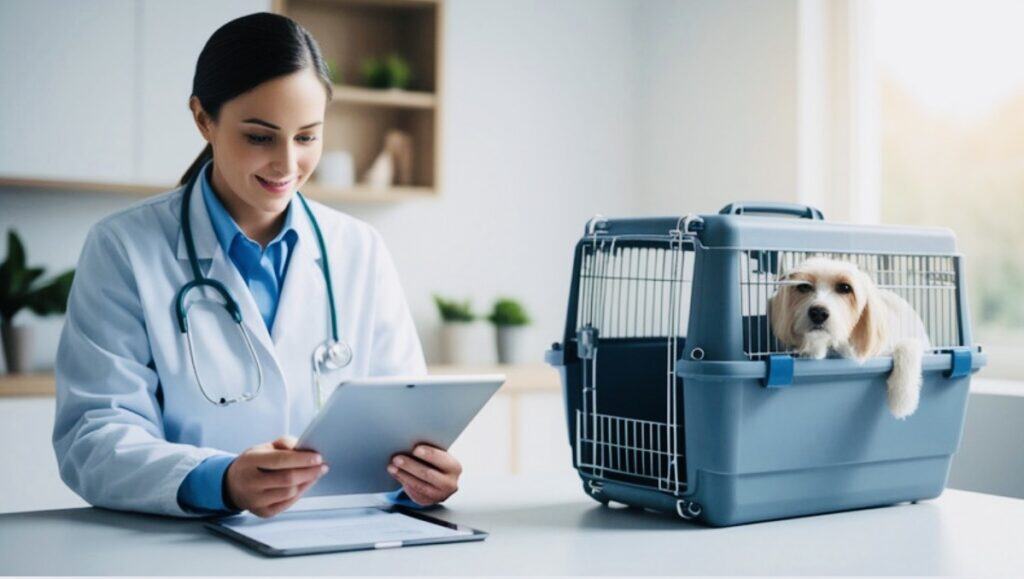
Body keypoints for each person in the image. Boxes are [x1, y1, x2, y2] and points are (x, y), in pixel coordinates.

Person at [52, 12, 461, 518]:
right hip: (185, 551)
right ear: (204, 119)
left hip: (339, 544)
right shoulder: (124, 247)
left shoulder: (360, 249)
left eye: (307, 137)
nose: (287, 165)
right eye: (260, 137)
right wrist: (221, 481)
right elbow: (94, 439)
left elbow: (404, 421)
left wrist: (421, 477)